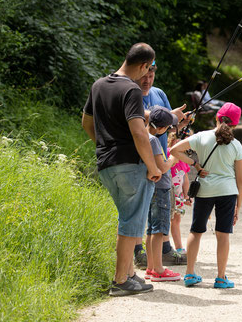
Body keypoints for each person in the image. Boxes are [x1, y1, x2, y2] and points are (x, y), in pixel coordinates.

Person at [81, 42, 161, 297]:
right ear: (143, 65)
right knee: (131, 222)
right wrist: (153, 166)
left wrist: (104, 145)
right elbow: (139, 132)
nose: (146, 75)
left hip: (106, 165)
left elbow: (86, 122)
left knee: (128, 219)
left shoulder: (99, 85)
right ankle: (119, 280)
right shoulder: (131, 90)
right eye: (147, 70)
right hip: (131, 165)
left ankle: (129, 274)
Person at [170, 102, 242, 289]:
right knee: (223, 234)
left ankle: (189, 274)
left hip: (204, 191)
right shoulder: (236, 145)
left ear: (216, 118)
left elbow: (173, 150)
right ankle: (220, 278)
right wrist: (238, 205)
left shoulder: (201, 137)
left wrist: (195, 164)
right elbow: (241, 180)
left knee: (196, 231)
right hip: (227, 193)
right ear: (235, 124)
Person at [134, 62, 188, 267]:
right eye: (144, 76)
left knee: (160, 215)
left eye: (151, 75)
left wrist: (179, 124)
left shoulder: (159, 94)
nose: (147, 80)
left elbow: (168, 125)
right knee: (146, 213)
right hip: (146, 166)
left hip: (160, 162)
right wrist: (176, 157)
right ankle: (140, 253)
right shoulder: (130, 94)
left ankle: (162, 252)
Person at [144, 106, 197, 282]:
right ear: (160, 128)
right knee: (159, 229)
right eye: (167, 128)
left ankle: (151, 267)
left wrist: (183, 124)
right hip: (161, 188)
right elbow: (164, 166)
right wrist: (176, 156)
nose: (169, 130)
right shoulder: (154, 141)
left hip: (153, 188)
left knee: (152, 229)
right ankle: (159, 269)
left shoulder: (146, 136)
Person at [168, 129, 191, 255]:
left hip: (179, 196)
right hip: (167, 194)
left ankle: (178, 247)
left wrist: (186, 195)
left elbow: (185, 179)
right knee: (165, 220)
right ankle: (163, 246)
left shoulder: (184, 159)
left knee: (176, 221)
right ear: (172, 140)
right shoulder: (167, 154)